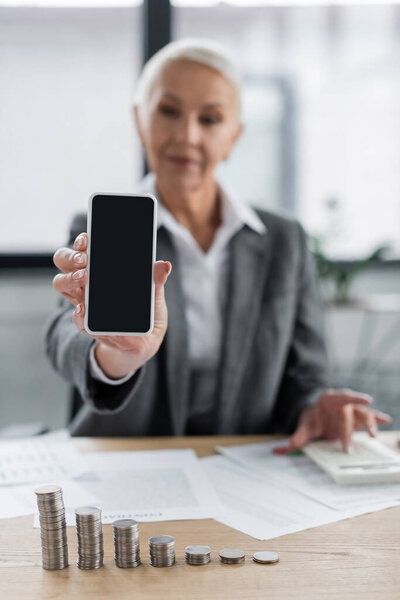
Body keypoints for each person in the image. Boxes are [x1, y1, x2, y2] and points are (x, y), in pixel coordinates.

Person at [45, 39, 391, 450]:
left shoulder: (284, 240)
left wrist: (317, 406)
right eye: (168, 111)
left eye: (210, 119)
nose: (187, 135)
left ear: (233, 137)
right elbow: (63, 338)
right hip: (125, 459)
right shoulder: (101, 227)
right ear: (140, 121)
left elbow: (306, 376)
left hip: (245, 466)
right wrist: (119, 355)